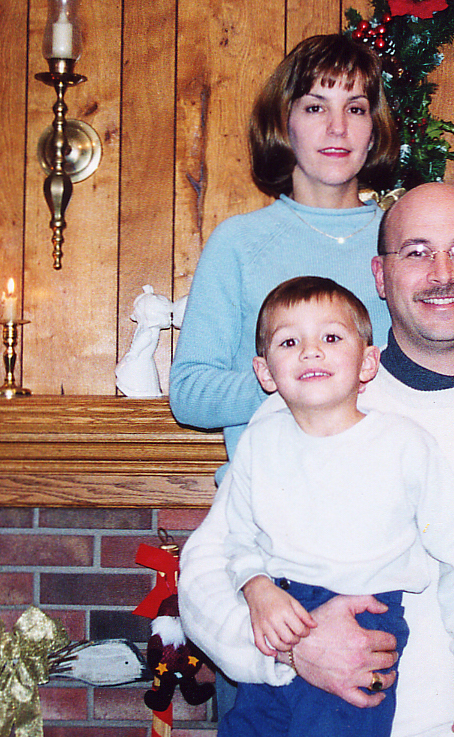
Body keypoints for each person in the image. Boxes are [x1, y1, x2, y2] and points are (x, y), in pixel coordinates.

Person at [180, 182, 454, 737]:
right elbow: (208, 569)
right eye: (415, 252)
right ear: (380, 273)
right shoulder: (302, 407)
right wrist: (290, 651)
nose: (441, 273)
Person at [170, 34, 400, 461]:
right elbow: (190, 394)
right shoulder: (238, 243)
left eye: (355, 109)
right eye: (316, 107)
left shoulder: (403, 241)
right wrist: (300, 380)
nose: (338, 127)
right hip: (268, 510)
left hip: (383, 498)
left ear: (373, 131)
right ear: (283, 124)